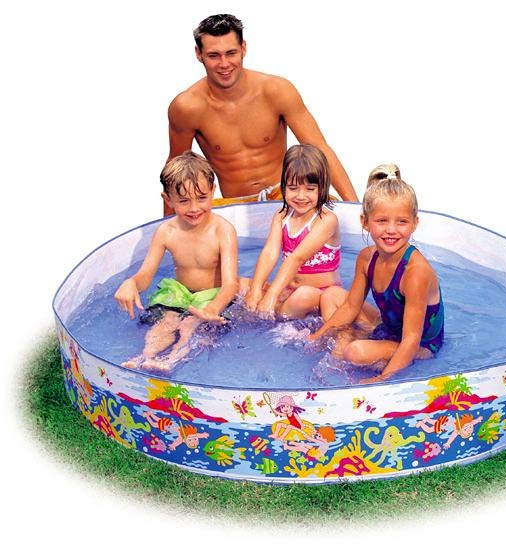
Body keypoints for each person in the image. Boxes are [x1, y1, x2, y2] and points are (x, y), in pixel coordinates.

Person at [165, 13, 357, 214]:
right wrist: (166, 226)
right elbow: (176, 171)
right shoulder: (187, 107)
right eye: (214, 55)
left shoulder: (276, 90)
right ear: (198, 54)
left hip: (285, 196)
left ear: (243, 48)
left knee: (334, 217)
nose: (224, 64)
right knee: (195, 222)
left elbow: (319, 147)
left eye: (231, 53)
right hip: (236, 205)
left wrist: (355, 209)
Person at [309, 167, 445, 383]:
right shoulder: (366, 258)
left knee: (355, 352)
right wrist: (316, 337)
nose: (391, 230)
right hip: (388, 329)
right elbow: (351, 306)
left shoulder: (415, 272)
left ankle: (353, 344)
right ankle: (348, 338)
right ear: (365, 222)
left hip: (419, 346)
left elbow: (411, 338)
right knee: (332, 295)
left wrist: (382, 380)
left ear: (415, 223)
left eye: (402, 222)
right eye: (382, 221)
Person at [114, 151, 239, 371]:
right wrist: (131, 283)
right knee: (167, 322)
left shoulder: (223, 230)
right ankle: (145, 356)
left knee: (191, 324)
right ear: (168, 200)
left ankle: (171, 361)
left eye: (202, 198)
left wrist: (211, 309)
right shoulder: (166, 232)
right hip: (180, 293)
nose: (194, 208)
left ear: (213, 191)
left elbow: (230, 284)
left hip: (212, 296)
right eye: (183, 201)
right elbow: (145, 276)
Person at [242, 144, 342, 319]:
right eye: (293, 188)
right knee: (241, 284)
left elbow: (297, 258)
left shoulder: (326, 220)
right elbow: (270, 252)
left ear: (322, 188)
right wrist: (255, 289)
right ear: (283, 187)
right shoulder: (281, 216)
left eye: (310, 189)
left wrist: (271, 295)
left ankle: (277, 318)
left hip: (321, 294)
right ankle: (275, 313)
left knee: (303, 295)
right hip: (289, 290)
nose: (301, 196)